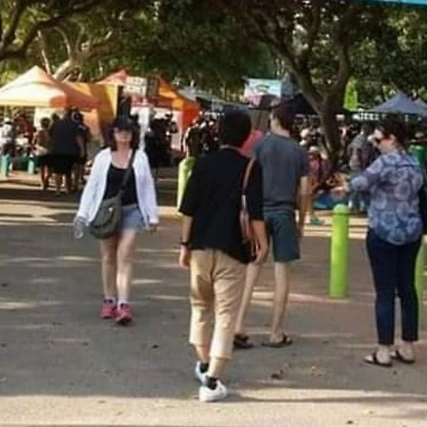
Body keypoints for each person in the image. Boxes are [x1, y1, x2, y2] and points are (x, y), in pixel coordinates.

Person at [178, 109, 269, 403]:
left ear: (218, 132)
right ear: (247, 137)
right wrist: (263, 244)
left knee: (200, 307)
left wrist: (184, 245)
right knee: (226, 314)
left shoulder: (203, 164)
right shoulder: (250, 168)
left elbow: (188, 208)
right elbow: (255, 212)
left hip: (200, 247)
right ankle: (212, 381)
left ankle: (204, 363)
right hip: (233, 249)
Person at [333, 115, 424, 368]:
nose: (374, 143)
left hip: (384, 231)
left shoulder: (386, 162)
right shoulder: (414, 162)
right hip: (411, 232)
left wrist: (344, 187)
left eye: (378, 139)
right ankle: (407, 346)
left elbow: (361, 182)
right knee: (407, 289)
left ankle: (383, 349)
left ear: (391, 138)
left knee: (384, 291)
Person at [233, 103, 309, 350]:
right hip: (285, 212)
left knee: (253, 267)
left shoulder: (261, 145)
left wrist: (244, 208)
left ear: (275, 119)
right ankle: (276, 332)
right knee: (282, 273)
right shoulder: (299, 151)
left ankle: (239, 324)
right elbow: (305, 190)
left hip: (259, 212)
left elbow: (246, 178)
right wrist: (302, 221)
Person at [74, 117, 160, 325]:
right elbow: (92, 187)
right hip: (107, 212)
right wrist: (82, 214)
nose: (124, 134)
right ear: (112, 133)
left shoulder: (140, 157)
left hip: (132, 210)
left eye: (128, 131)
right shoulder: (103, 157)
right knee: (108, 257)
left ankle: (123, 303)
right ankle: (109, 299)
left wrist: (152, 215)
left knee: (125, 255)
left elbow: (147, 187)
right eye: (120, 130)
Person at [48, 110, 82, 195]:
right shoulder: (74, 125)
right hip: (71, 151)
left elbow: (50, 135)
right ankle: (67, 189)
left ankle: (58, 190)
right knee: (68, 172)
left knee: (58, 172)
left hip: (57, 150)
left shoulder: (55, 124)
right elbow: (78, 138)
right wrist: (82, 149)